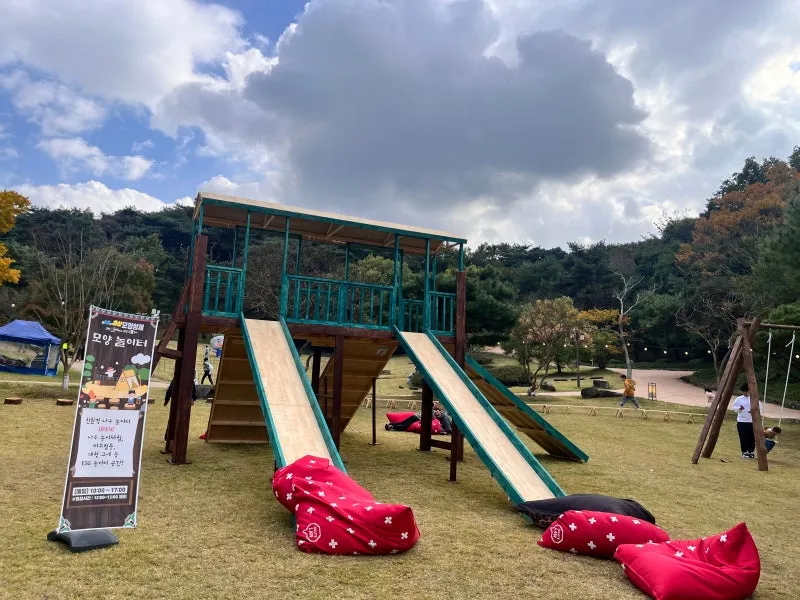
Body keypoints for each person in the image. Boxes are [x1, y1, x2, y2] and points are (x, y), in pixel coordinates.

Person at [731, 384, 763, 459]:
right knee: (743, 437)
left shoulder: (754, 399)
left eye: (746, 391)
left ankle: (751, 451)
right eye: (743, 391)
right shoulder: (739, 399)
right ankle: (744, 451)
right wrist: (739, 408)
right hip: (742, 421)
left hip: (752, 421)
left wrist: (754, 412)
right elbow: (734, 407)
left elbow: (760, 409)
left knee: (752, 437)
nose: (745, 393)